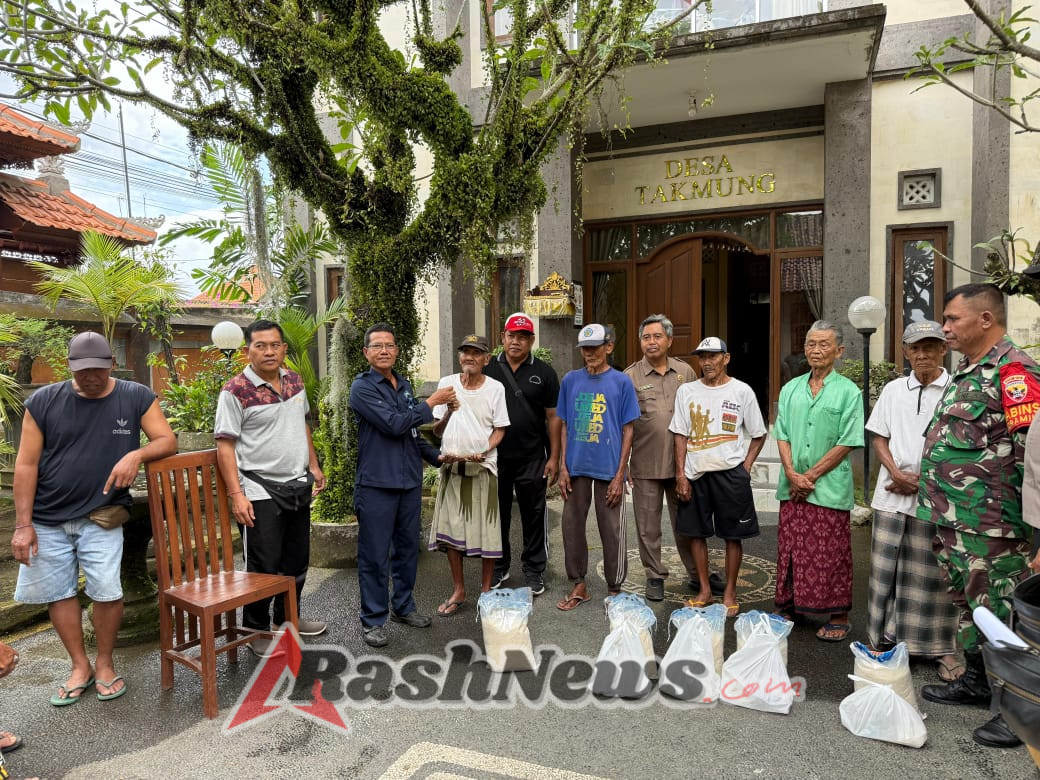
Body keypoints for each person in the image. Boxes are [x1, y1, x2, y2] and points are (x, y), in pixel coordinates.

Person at [11, 331, 177, 705]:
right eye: (82, 370)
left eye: (98, 370)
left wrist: (135, 455)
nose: (90, 377)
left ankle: (104, 663)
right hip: (47, 517)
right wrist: (23, 525)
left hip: (101, 515)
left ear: (111, 365)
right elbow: (26, 464)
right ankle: (79, 665)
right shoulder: (43, 401)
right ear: (70, 366)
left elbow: (167, 440)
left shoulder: (134, 396)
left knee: (106, 590)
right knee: (58, 592)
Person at [918, 283, 1040, 749]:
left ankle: (1018, 710)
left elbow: (1033, 457)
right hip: (957, 520)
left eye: (953, 319)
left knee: (1004, 614)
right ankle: (977, 681)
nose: (945, 328)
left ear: (985, 319)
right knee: (973, 607)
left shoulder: (1014, 372)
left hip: (994, 525)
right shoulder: (969, 370)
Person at [214, 319, 327, 656]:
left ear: (284, 349)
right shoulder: (235, 391)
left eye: (274, 345)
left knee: (296, 560)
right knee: (263, 565)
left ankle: (287, 619)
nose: (268, 352)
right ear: (247, 350)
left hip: (297, 483)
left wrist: (313, 464)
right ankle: (256, 629)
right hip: (258, 488)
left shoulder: (294, 380)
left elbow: (302, 424)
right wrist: (237, 495)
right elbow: (224, 447)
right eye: (260, 345)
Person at [864, 320, 962, 680]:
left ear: (943, 350)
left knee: (933, 575)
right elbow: (879, 437)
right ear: (906, 352)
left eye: (930, 347)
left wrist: (923, 482)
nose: (922, 354)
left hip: (936, 497)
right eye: (915, 348)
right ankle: (884, 638)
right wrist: (897, 473)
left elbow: (960, 445)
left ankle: (941, 648)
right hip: (892, 494)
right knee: (885, 572)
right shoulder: (894, 390)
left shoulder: (956, 389)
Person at [349, 323, 457, 648]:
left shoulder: (404, 384)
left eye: (389, 345)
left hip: (408, 483)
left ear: (397, 351)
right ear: (366, 352)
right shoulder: (362, 388)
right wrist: (432, 401)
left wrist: (438, 456)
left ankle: (403, 606)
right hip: (376, 485)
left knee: (408, 550)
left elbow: (411, 435)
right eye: (377, 345)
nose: (384, 350)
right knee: (374, 555)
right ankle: (373, 620)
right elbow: (394, 425)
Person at [773, 320, 863, 641]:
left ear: (839, 351)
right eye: (811, 344)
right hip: (792, 485)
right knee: (791, 548)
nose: (816, 350)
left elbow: (848, 440)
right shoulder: (790, 389)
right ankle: (788, 606)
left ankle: (838, 614)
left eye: (824, 344)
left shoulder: (849, 392)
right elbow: (781, 433)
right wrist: (791, 474)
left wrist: (809, 477)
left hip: (828, 487)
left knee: (831, 551)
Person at [670, 337, 767, 617]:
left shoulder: (741, 391)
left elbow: (759, 434)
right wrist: (680, 475)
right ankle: (704, 590)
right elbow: (680, 434)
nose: (707, 362)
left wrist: (745, 467)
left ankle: (730, 593)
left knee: (732, 536)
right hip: (695, 474)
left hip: (730, 475)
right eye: (702, 357)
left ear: (726, 358)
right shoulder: (687, 391)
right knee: (695, 534)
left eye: (713, 356)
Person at [556, 324, 640, 610]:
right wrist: (563, 466)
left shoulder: (621, 382)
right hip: (576, 466)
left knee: (612, 529)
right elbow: (564, 425)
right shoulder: (570, 380)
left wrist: (620, 473)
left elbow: (629, 429)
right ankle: (579, 584)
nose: (589, 354)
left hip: (609, 467)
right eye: (585, 349)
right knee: (572, 526)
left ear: (609, 347)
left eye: (594, 348)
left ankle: (615, 588)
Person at [429, 335, 510, 614]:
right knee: (452, 530)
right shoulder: (447, 385)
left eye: (476, 353)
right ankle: (459, 590)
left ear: (486, 359)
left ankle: (486, 591)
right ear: (459, 356)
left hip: (483, 468)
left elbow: (500, 429)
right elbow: (437, 431)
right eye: (465, 352)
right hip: (452, 468)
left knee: (487, 530)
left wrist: (484, 450)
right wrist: (449, 413)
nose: (470, 357)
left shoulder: (495, 388)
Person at [623, 314, 701, 601]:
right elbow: (623, 424)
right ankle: (654, 575)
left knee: (687, 523)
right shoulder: (629, 377)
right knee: (648, 526)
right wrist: (623, 463)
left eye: (657, 336)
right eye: (646, 337)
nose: (651, 342)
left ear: (669, 340)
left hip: (682, 464)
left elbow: (697, 415)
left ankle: (697, 574)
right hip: (645, 462)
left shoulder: (686, 372)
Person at [483, 313, 560, 596]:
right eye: (511, 336)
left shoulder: (545, 373)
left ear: (532, 340)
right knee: (497, 515)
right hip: (494, 457)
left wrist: (554, 457)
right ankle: (499, 567)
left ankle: (534, 569)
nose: (516, 341)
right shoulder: (488, 368)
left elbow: (553, 418)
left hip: (532, 456)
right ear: (502, 337)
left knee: (534, 514)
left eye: (523, 337)